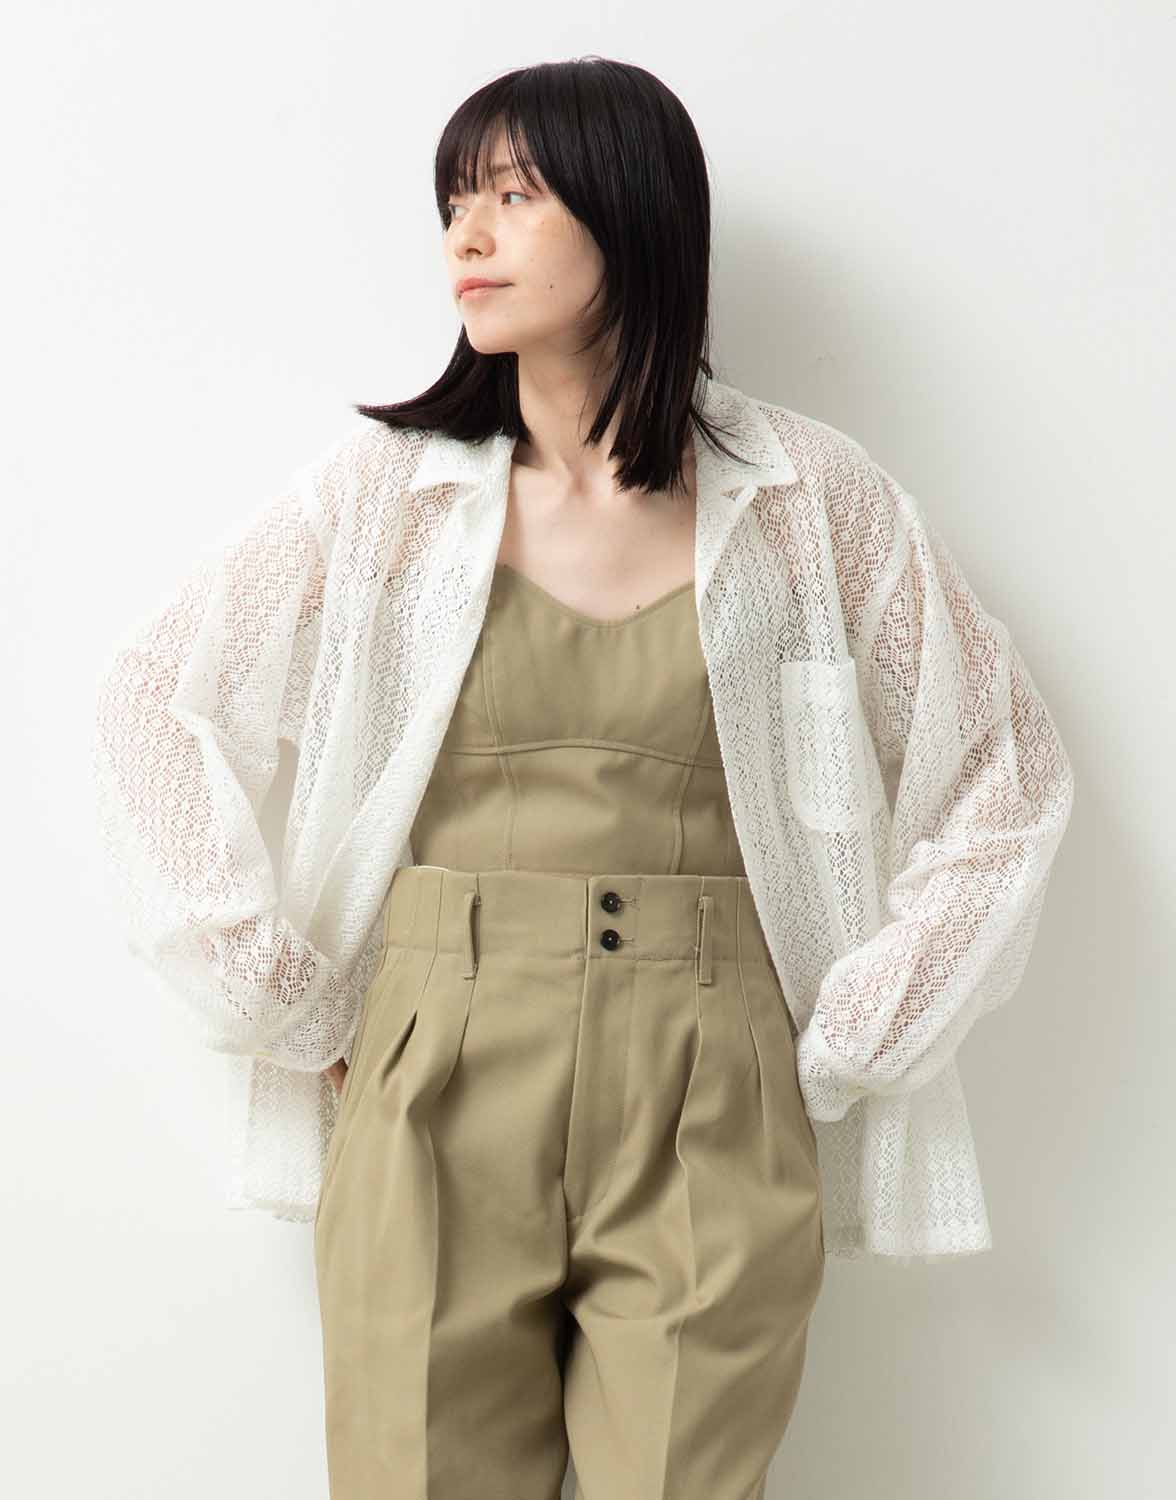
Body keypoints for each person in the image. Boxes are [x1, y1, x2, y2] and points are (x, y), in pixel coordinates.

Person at [91, 56, 1074, 1500]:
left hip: (714, 1072)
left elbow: (1004, 765)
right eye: (453, 201)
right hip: (435, 1063)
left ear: (635, 212)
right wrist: (284, 997)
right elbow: (151, 701)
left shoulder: (810, 501)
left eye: (514, 195)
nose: (466, 236)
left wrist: (863, 1027)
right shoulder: (386, 498)